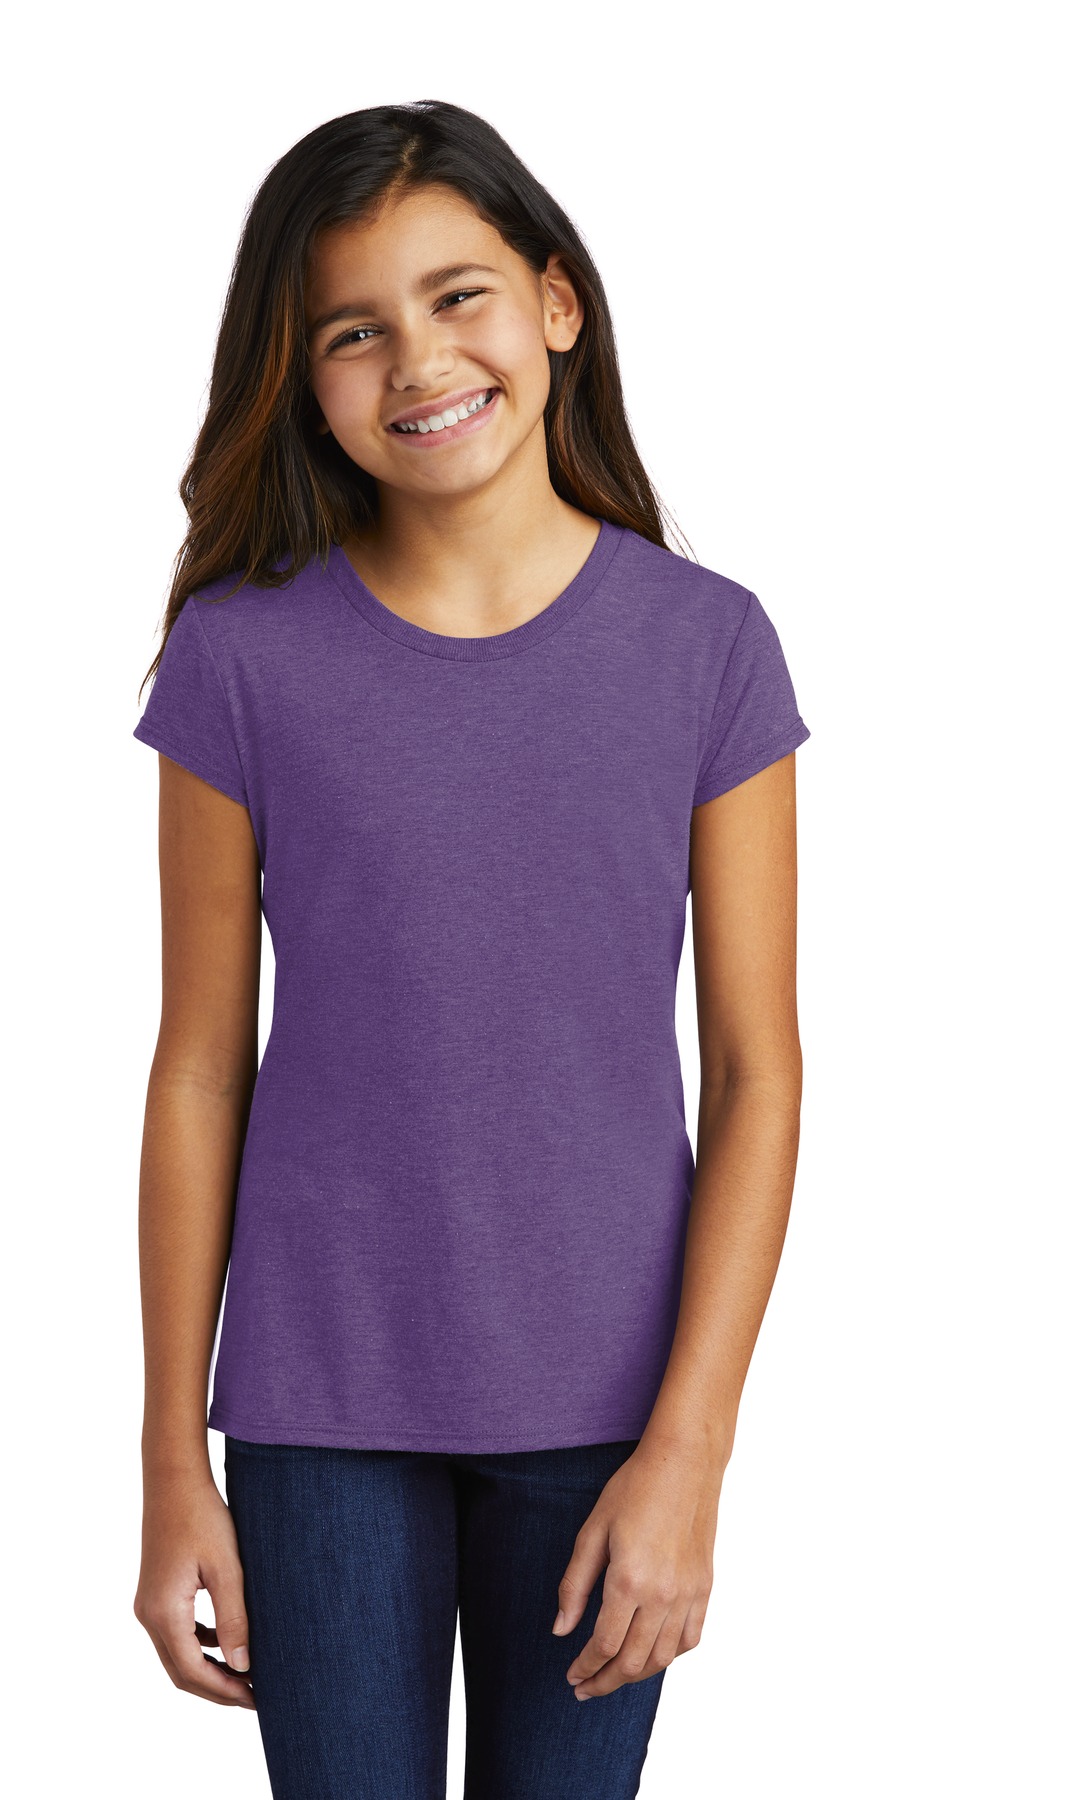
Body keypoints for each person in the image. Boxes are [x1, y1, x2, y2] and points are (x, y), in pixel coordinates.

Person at [131, 99, 811, 1800]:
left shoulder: (708, 648)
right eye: (352, 331)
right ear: (303, 379)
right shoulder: (240, 658)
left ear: (556, 305)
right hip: (317, 1413)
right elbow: (199, 1065)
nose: (419, 360)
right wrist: (169, 1457)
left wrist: (692, 1451)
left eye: (459, 297)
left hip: (611, 1415)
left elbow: (758, 1073)